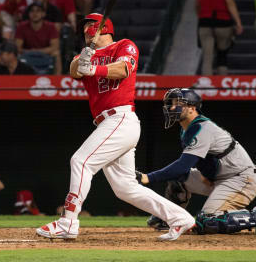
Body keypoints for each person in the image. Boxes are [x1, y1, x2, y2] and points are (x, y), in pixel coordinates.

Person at [36, 13, 196, 241]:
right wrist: (82, 59)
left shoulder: (124, 45)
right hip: (108, 123)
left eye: (90, 25)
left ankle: (68, 221)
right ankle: (181, 218)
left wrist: (93, 68)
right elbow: (74, 71)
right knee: (125, 188)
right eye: (84, 27)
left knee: (80, 161)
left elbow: (123, 69)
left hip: (120, 119)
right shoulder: (86, 54)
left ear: (104, 27)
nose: (85, 30)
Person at [135, 88, 256, 235]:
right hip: (219, 178)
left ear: (192, 108)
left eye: (177, 103)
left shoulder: (202, 129)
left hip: (241, 179)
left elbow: (183, 166)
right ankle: (171, 218)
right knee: (177, 181)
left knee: (207, 222)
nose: (172, 108)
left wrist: (148, 177)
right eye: (171, 104)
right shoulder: (187, 129)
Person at [193, 0, 243, 75]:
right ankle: (221, 84)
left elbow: (197, 5)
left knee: (207, 57)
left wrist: (201, 15)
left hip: (204, 22)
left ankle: (206, 85)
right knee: (222, 53)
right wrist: (238, 22)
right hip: (222, 22)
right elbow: (229, 2)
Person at [15, 2, 60, 74]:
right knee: (14, 55)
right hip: (27, 54)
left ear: (43, 14)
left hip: (45, 54)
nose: (35, 14)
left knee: (56, 53)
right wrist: (30, 52)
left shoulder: (51, 27)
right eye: (32, 11)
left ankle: (57, 80)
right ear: (28, 14)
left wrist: (37, 51)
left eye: (38, 11)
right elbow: (17, 47)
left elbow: (54, 47)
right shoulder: (21, 27)